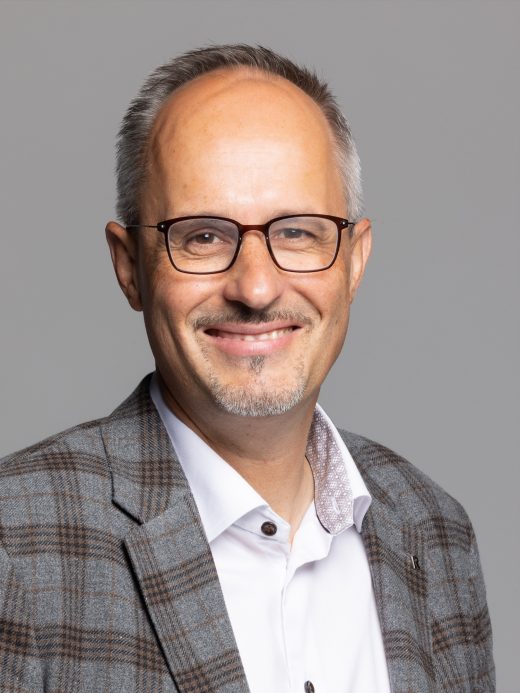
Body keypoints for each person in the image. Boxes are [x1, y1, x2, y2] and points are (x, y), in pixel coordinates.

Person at [0, 45, 494, 693]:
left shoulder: (436, 531)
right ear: (129, 267)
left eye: (297, 231)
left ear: (354, 261)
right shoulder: (16, 543)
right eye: (203, 235)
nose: (256, 288)